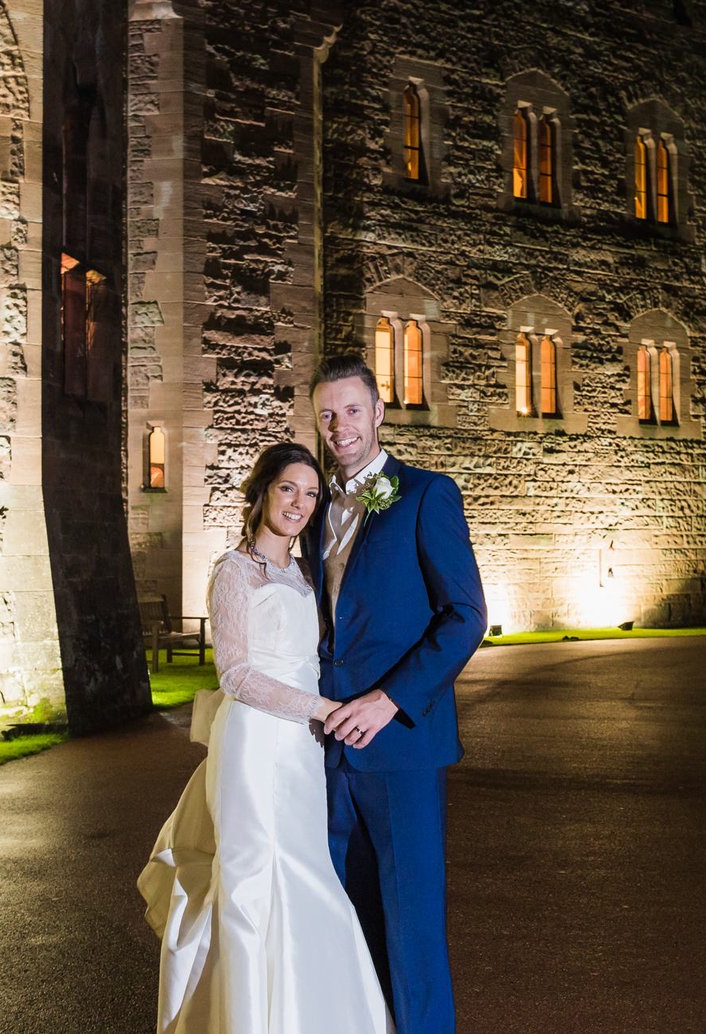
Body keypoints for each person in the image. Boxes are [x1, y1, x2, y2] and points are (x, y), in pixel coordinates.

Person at [139, 442, 392, 1034]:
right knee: (254, 877)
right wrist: (325, 708)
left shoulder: (306, 572)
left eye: (310, 494)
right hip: (254, 741)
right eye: (287, 489)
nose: (300, 504)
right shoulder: (233, 571)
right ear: (261, 493)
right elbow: (237, 674)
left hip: (301, 747)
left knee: (306, 870)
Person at [304, 354, 486, 1034]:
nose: (339, 425)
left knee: (414, 930)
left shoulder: (426, 495)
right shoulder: (317, 508)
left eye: (352, 410)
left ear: (380, 412)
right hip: (330, 755)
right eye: (327, 413)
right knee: (350, 923)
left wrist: (390, 699)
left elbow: (465, 615)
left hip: (404, 748)